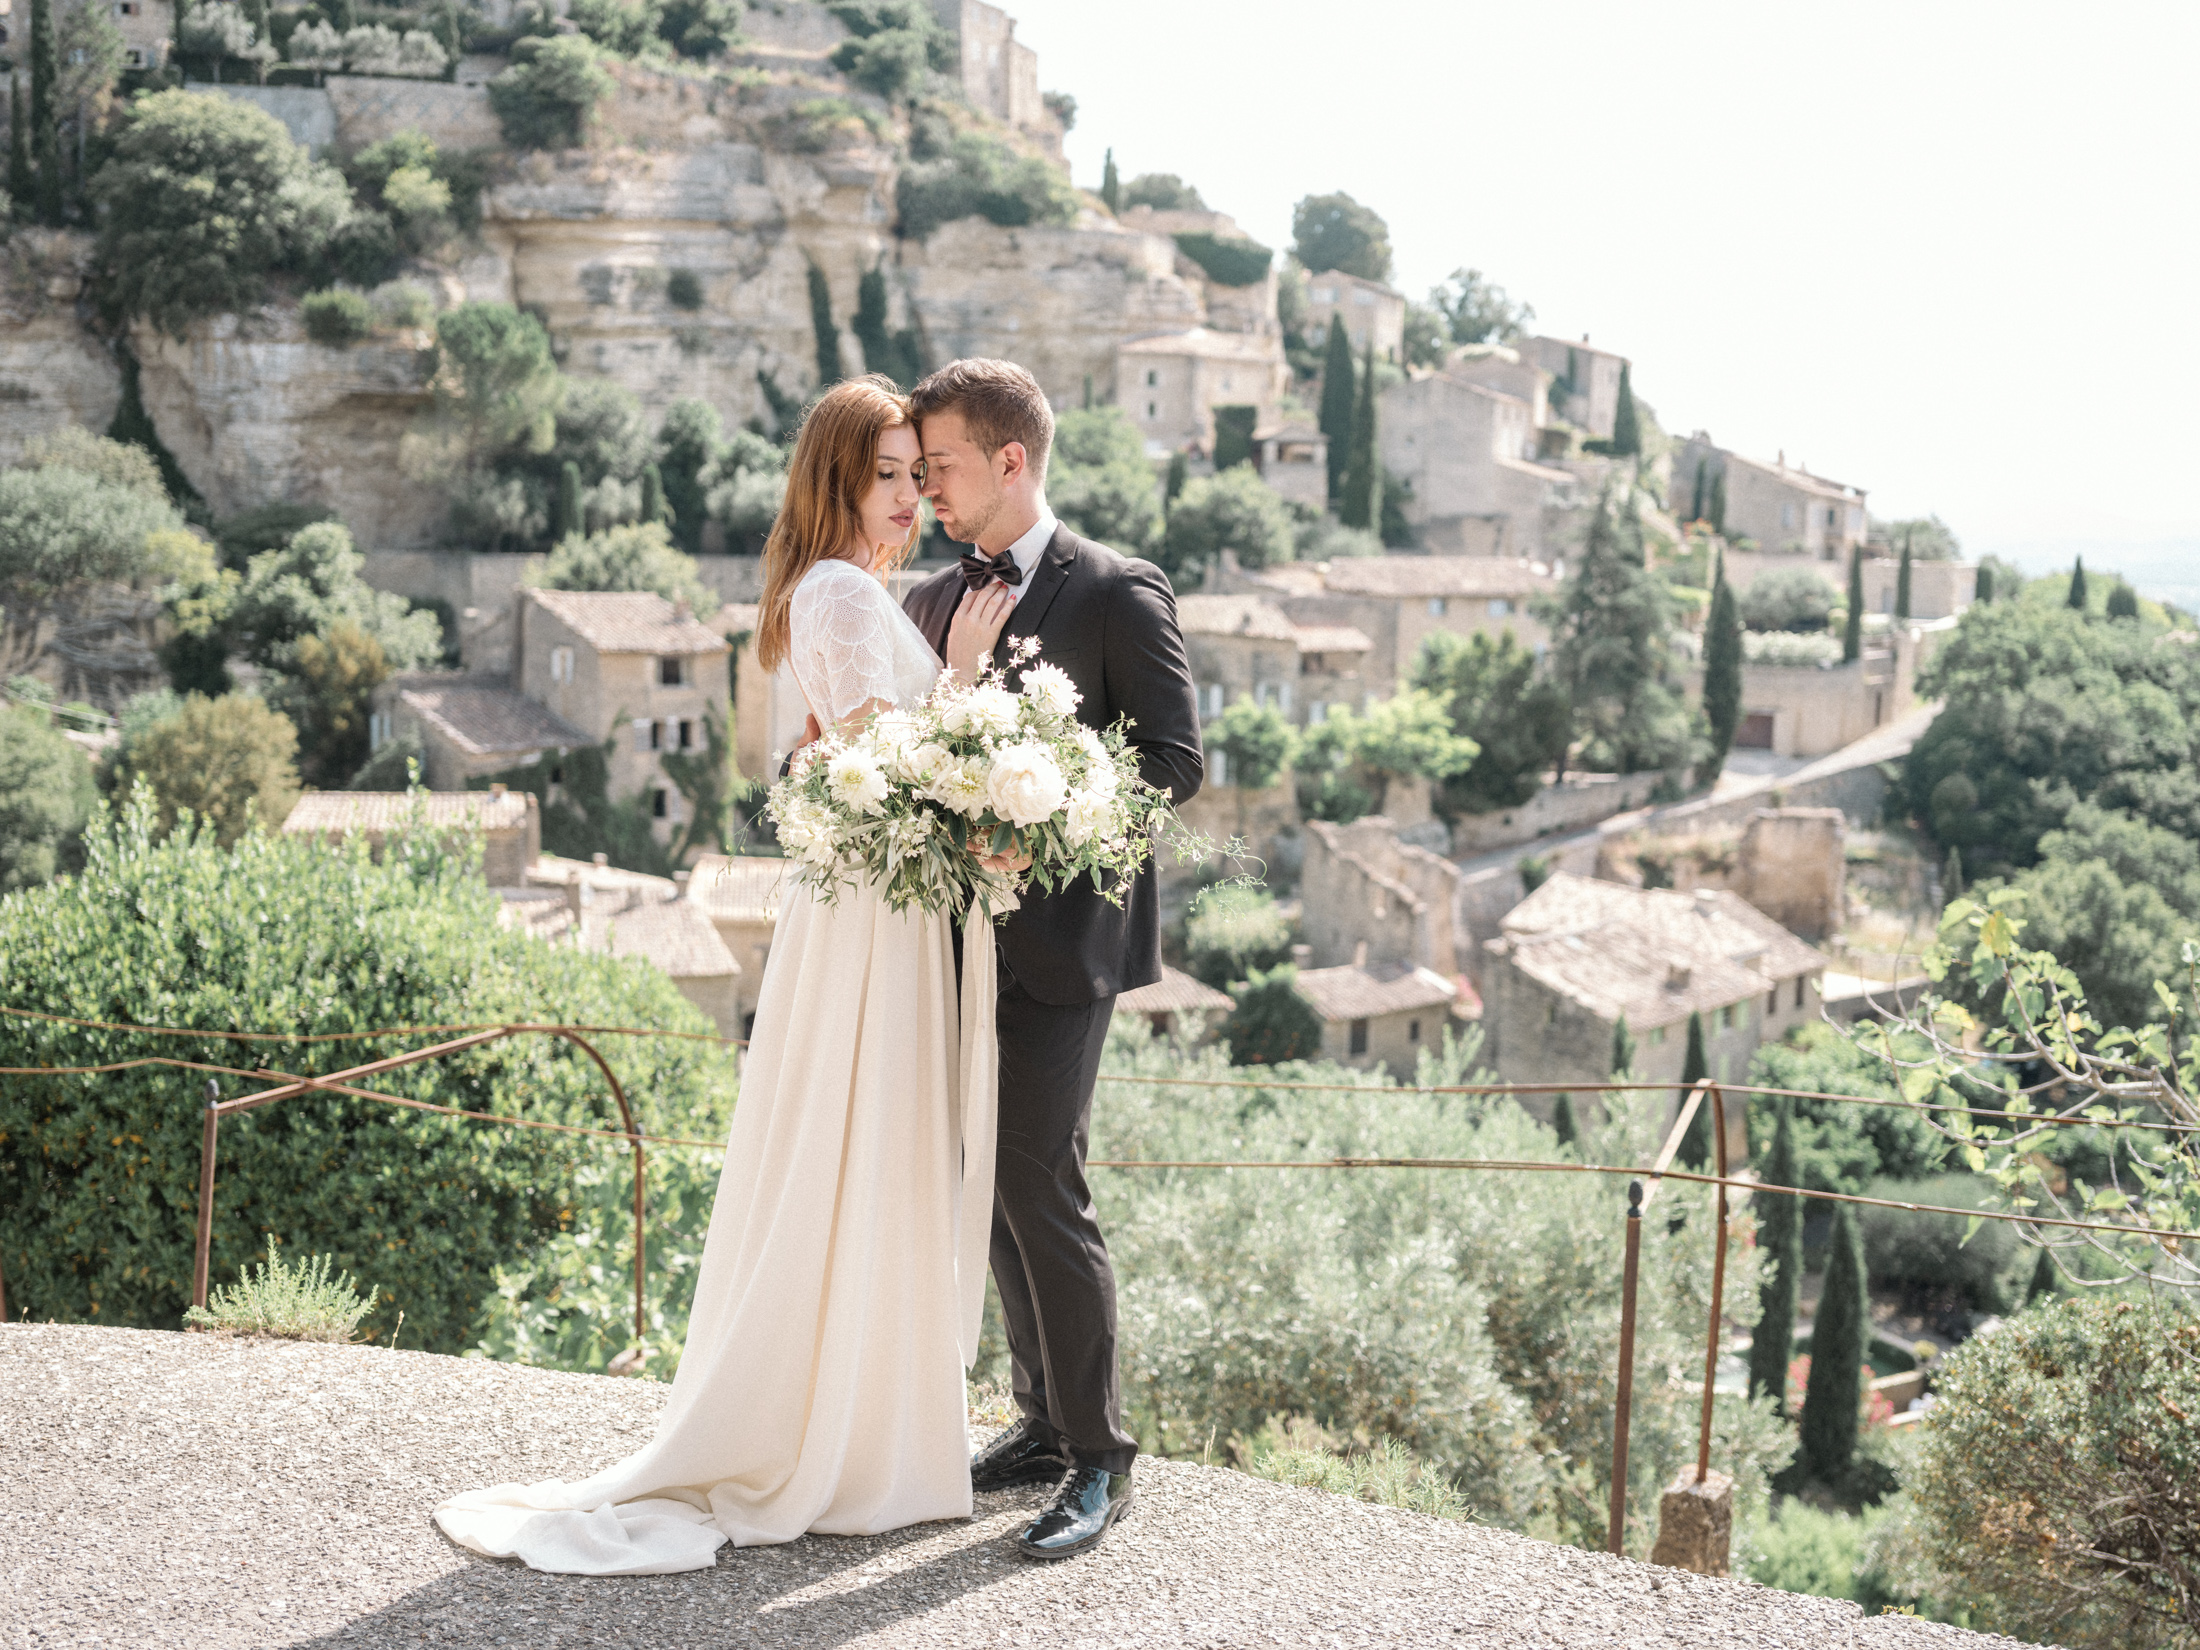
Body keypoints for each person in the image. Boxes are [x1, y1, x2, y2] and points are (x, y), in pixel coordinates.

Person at [432, 376, 1018, 1576]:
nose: (908, 496)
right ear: (837, 480)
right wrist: (964, 688)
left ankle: (858, 1422)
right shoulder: (845, 592)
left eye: (918, 474)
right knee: (866, 1140)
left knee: (863, 1143)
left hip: (873, 906)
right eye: (888, 475)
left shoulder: (842, 588)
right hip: (873, 915)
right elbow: (880, 761)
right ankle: (842, 1436)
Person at [901, 359, 1203, 1560]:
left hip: (1065, 943)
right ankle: (1035, 1423)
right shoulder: (931, 602)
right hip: (946, 946)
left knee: (1040, 1184)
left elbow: (1173, 765)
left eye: (941, 467)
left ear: (1010, 461)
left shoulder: (1117, 591)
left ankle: (1099, 1457)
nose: (926, 488)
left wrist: (1034, 811)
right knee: (985, 1192)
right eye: (917, 471)